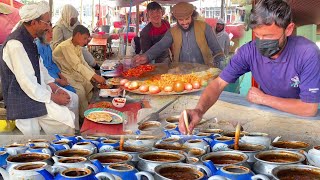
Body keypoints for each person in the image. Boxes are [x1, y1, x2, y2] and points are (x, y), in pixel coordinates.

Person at [178, 0, 320, 135]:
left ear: (288, 29)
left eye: (269, 36)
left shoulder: (307, 53)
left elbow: (308, 108)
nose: (262, 42)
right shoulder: (249, 51)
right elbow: (218, 84)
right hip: (267, 117)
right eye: (258, 36)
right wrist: (199, 110)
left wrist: (263, 99)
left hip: (302, 122)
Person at [0, 1, 76, 135]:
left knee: (72, 100)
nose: (48, 27)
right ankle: (63, 148)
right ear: (34, 22)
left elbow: (41, 69)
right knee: (65, 120)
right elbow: (27, 82)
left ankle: (62, 145)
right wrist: (53, 97)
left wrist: (56, 88)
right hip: (22, 98)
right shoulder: (16, 44)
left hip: (36, 92)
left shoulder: (30, 39)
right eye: (46, 23)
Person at [133, 2, 224, 68]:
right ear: (176, 19)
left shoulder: (204, 27)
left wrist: (220, 67)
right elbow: (161, 45)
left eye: (187, 18)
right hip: (181, 72)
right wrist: (146, 56)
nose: (184, 22)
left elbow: (217, 50)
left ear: (192, 15)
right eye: (180, 20)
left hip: (204, 71)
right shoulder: (172, 31)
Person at [53, 25, 106, 118]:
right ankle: (84, 117)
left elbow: (83, 63)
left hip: (73, 71)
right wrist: (95, 76)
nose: (86, 42)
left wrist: (93, 75)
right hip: (64, 73)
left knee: (88, 83)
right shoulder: (66, 46)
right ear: (77, 35)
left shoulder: (77, 45)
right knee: (80, 91)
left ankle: (91, 108)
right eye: (85, 38)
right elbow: (77, 65)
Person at [36, 24, 80, 131]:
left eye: (52, 32)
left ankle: (77, 128)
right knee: (69, 98)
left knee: (73, 93)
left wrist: (61, 75)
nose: (52, 35)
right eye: (48, 32)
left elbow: (52, 63)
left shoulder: (47, 45)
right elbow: (42, 72)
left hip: (54, 76)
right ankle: (70, 124)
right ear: (42, 34)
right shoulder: (37, 46)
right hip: (47, 83)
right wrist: (57, 81)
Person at [51, 4, 100, 70]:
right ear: (68, 17)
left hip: (77, 50)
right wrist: (70, 46)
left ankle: (95, 66)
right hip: (65, 55)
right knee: (80, 68)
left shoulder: (76, 23)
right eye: (73, 19)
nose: (75, 20)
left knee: (83, 56)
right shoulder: (58, 28)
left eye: (76, 18)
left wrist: (85, 39)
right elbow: (56, 47)